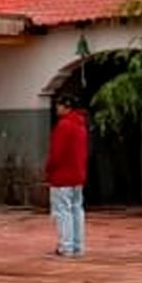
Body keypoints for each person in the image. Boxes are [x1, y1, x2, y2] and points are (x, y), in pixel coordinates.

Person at [45, 94, 89, 257]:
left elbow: (56, 153)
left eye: (59, 105)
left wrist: (49, 169)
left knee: (62, 211)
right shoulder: (80, 125)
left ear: (66, 106)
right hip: (77, 174)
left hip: (62, 175)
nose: (57, 108)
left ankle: (66, 246)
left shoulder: (64, 125)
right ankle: (78, 245)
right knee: (77, 209)